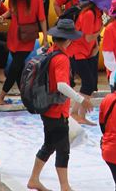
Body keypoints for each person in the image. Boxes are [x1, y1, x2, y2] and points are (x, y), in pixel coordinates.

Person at [27, 17, 93, 191]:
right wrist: (81, 100)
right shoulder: (61, 59)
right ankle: (65, 186)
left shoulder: (48, 52)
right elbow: (61, 85)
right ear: (69, 40)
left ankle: (34, 179)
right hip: (57, 111)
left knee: (49, 145)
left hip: (47, 108)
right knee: (63, 149)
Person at [0, 0, 47, 105]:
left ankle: (2, 95)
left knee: (14, 67)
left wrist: (45, 38)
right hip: (14, 35)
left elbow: (42, 19)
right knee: (18, 68)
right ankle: (25, 96)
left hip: (27, 37)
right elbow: (12, 10)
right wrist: (3, 16)